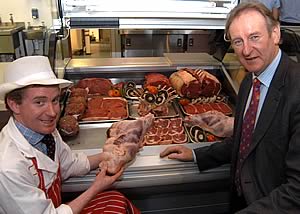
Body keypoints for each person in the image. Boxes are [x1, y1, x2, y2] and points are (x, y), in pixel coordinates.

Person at [160, 2, 300, 213]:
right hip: (242, 198)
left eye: (255, 37)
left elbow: (296, 191)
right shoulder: (250, 81)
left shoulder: (296, 88)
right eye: (238, 41)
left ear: (275, 34)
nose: (246, 50)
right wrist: (198, 155)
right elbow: (246, 138)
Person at [0, 56, 140, 214]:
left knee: (116, 199)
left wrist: (107, 156)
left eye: (55, 100)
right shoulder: (8, 167)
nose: (53, 112)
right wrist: (96, 188)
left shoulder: (45, 132)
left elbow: (69, 164)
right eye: (39, 102)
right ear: (14, 104)